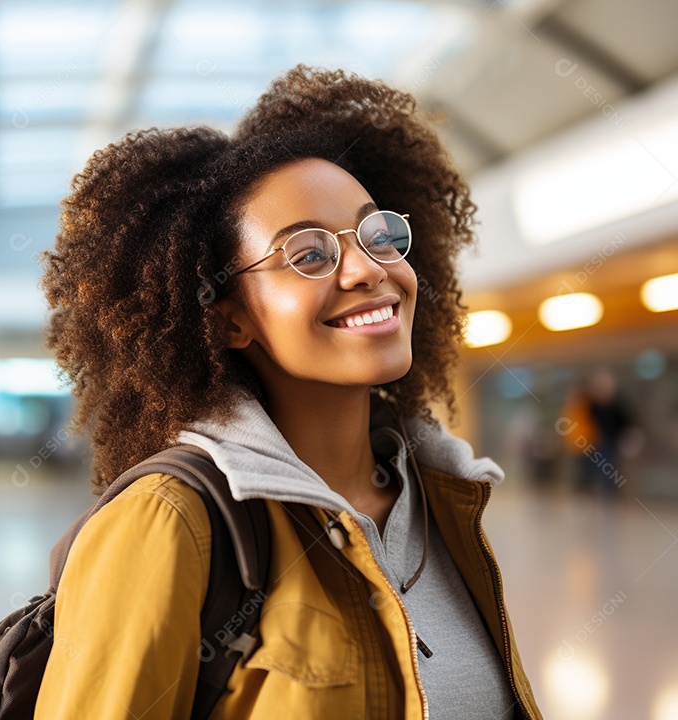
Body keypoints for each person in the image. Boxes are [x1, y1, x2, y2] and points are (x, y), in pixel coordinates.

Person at [34, 66, 543, 718]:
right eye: (306, 255)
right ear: (228, 317)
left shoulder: (445, 497)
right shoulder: (168, 524)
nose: (367, 268)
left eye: (378, 235)